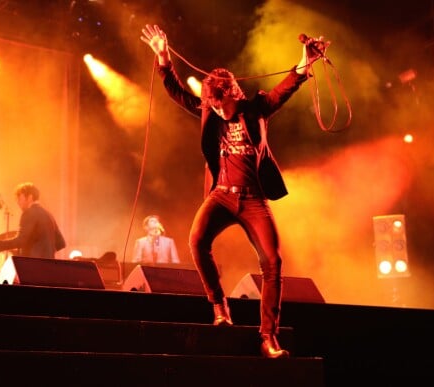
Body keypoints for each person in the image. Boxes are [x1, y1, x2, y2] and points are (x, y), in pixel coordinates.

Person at [140, 24, 329, 358]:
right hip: (221, 196)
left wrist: (306, 62)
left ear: (231, 94)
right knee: (197, 242)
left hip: (253, 199)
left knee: (273, 262)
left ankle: (268, 337)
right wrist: (164, 60)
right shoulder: (208, 110)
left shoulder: (256, 108)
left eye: (218, 104)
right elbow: (178, 93)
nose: (214, 109)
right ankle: (219, 308)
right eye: (209, 105)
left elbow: (284, 88)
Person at [0, 182, 66, 259]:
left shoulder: (29, 213)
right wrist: (45, 253)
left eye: (19, 198)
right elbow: (61, 243)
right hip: (49, 267)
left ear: (30, 197)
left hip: (33, 267)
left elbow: (20, 241)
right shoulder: (48, 215)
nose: (17, 202)